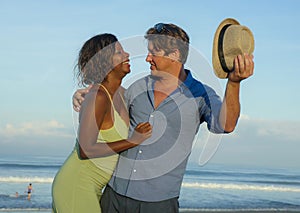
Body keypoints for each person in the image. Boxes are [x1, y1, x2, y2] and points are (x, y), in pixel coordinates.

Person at [73, 21, 254, 212]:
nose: (147, 58)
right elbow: (105, 101)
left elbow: (226, 125)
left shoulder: (202, 95)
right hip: (114, 195)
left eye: (154, 52)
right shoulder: (137, 87)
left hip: (159, 203)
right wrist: (82, 94)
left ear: (175, 54)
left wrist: (234, 84)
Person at [52, 33, 152, 213]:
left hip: (96, 189)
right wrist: (133, 140)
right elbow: (86, 149)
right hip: (77, 184)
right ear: (105, 60)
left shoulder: (123, 94)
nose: (127, 54)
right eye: (119, 52)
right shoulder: (97, 96)